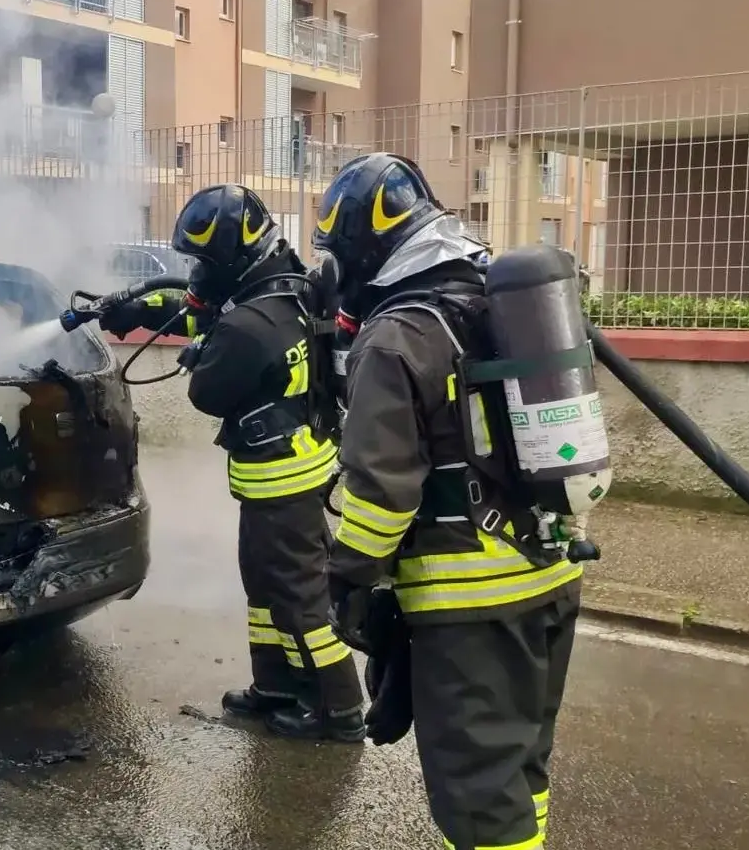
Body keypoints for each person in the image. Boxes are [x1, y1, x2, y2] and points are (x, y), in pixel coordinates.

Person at [313, 152, 582, 850]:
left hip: (471, 600)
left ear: (362, 251)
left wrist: (347, 577)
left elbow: (381, 495)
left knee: (478, 796)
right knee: (520, 765)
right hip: (549, 569)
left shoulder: (397, 336)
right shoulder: (489, 300)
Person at [98, 183, 365, 743]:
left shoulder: (246, 326)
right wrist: (141, 308)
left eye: (203, 262)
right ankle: (275, 685)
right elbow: (201, 312)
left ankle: (338, 708)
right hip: (295, 465)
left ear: (233, 258)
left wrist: (200, 353)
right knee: (265, 588)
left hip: (281, 479)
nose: (196, 273)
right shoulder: (286, 287)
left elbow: (208, 393)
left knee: (297, 597)